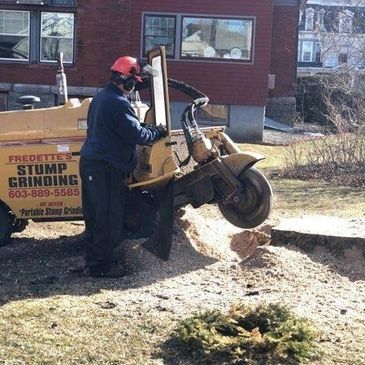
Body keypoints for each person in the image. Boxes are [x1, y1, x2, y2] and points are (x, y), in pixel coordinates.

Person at [79, 56, 166, 278]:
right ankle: (101, 269)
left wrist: (142, 125)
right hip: (105, 168)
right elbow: (135, 134)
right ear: (126, 81)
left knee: (94, 216)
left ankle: (92, 263)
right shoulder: (117, 102)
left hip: (91, 165)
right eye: (134, 82)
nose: (134, 87)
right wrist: (157, 132)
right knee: (108, 218)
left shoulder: (101, 98)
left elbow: (121, 127)